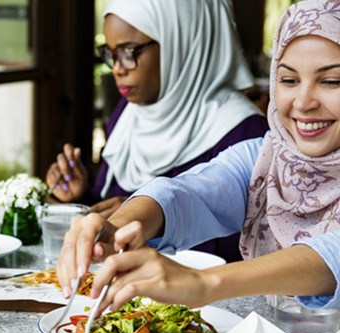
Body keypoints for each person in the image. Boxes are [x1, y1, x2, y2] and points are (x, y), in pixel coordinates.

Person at [56, 0, 340, 314]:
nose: (302, 102)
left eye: (331, 81)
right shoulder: (269, 156)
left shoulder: (242, 126)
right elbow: (189, 192)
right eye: (289, 80)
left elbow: (330, 256)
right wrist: (116, 226)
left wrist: (203, 283)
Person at [46, 0, 269, 263]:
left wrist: (147, 219)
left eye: (129, 51)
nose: (117, 68)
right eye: (110, 53)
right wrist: (81, 196)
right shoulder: (129, 114)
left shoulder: (246, 132)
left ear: (182, 42)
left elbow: (249, 246)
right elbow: (108, 204)